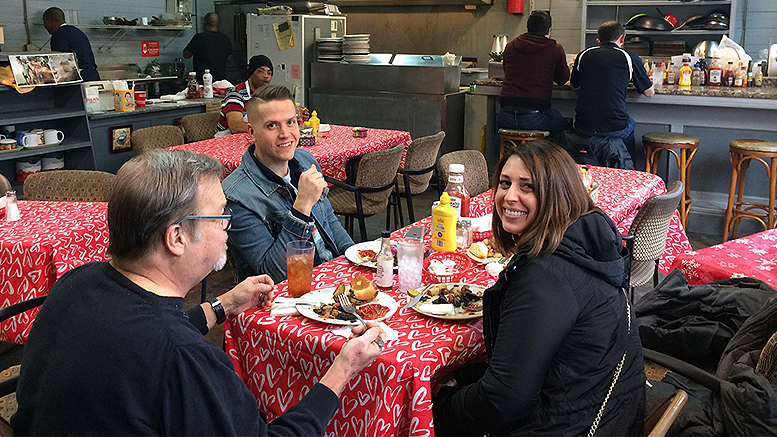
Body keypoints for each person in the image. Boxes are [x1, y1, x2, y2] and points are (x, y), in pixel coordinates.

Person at [11, 149, 385, 435]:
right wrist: (342, 370)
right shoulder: (185, 358)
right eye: (220, 215)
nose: (228, 227)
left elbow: (145, 339)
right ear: (176, 237)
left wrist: (222, 306)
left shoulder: (77, 282)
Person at [431, 140, 645, 436]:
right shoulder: (586, 242)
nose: (509, 197)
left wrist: (439, 406)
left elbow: (503, 401)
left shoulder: (544, 275)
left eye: (527, 187)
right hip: (611, 414)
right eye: (504, 184)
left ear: (557, 194)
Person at [222, 85, 353, 283]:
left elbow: (329, 221)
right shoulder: (237, 196)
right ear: (251, 132)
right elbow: (273, 274)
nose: (285, 133)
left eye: (290, 122)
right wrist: (301, 207)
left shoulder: (304, 160)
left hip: (332, 278)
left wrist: (355, 257)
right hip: (286, 299)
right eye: (272, 125)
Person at [570, 20, 654, 162]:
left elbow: (574, 86)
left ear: (598, 40)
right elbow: (649, 92)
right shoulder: (629, 57)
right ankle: (628, 170)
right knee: (629, 125)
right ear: (622, 38)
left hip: (583, 125)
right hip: (615, 127)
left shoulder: (583, 55)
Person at [495, 9, 571, 153]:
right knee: (567, 130)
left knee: (497, 131)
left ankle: (501, 167)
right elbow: (563, 79)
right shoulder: (555, 48)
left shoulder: (510, 46)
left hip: (504, 116)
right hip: (535, 117)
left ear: (527, 27)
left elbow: (506, 70)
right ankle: (547, 169)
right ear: (548, 30)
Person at [215, 54, 273, 137]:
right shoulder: (235, 95)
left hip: (253, 137)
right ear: (251, 74)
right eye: (260, 71)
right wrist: (266, 128)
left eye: (269, 73)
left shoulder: (267, 96)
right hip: (226, 140)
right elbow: (235, 126)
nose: (266, 76)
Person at [42, 7, 100, 81]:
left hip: (79, 79)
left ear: (50, 21)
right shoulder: (77, 31)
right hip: (92, 75)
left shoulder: (59, 35)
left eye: (44, 21)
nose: (44, 25)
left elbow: (60, 63)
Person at [183, 12, 232, 83]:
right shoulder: (225, 38)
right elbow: (229, 58)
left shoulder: (199, 38)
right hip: (220, 80)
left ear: (205, 22)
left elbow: (186, 55)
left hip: (202, 80)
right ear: (217, 23)